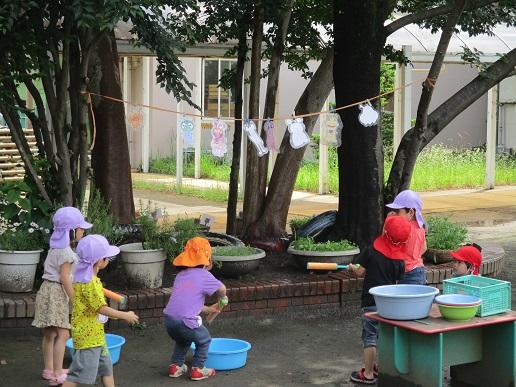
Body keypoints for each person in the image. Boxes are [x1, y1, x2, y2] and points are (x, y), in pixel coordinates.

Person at [63, 235, 139, 387]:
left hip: (95, 335)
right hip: (88, 338)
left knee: (106, 368)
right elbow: (102, 308)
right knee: (77, 376)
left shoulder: (83, 278)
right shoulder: (89, 283)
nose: (108, 260)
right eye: (107, 258)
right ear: (99, 261)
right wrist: (125, 315)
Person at [32, 207, 93, 386]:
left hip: (46, 290)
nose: (83, 231)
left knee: (49, 333)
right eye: (80, 228)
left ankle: (49, 369)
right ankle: (58, 374)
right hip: (57, 292)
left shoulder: (55, 247)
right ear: (71, 231)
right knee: (64, 334)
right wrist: (75, 299)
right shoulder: (66, 253)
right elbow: (65, 278)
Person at [348, 215, 412, 385]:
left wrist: (352, 268)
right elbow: (397, 283)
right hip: (388, 304)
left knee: (369, 337)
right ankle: (379, 367)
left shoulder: (371, 251)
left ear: (385, 231)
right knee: (383, 336)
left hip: (370, 301)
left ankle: (368, 373)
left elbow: (360, 272)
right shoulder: (400, 260)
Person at [163, 237, 227, 381]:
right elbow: (222, 288)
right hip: (185, 321)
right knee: (204, 339)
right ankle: (198, 369)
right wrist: (222, 298)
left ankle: (175, 366)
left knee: (182, 340)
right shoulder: (204, 275)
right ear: (208, 258)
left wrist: (208, 309)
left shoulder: (180, 276)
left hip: (169, 320)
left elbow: (187, 303)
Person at [386, 189, 427, 285]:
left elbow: (385, 247)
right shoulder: (420, 227)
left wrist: (387, 223)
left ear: (411, 212)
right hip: (418, 270)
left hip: (408, 274)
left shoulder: (404, 229)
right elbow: (424, 247)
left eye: (397, 211)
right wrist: (413, 258)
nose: (395, 214)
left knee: (406, 300)